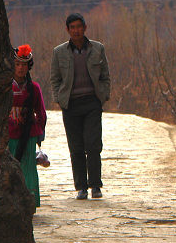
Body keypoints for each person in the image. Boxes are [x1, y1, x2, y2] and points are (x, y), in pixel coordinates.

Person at [50, 12, 111, 200]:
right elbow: (55, 79)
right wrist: (60, 99)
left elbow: (105, 76)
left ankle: (95, 186)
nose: (76, 30)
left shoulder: (97, 49)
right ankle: (81, 187)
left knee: (93, 145)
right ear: (68, 30)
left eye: (79, 26)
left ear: (85, 27)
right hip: (71, 104)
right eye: (72, 27)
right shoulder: (59, 52)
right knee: (76, 147)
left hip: (92, 102)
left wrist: (103, 96)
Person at [8, 44, 47, 209]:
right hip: (8, 135)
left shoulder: (34, 88)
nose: (21, 68)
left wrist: (39, 130)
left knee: (28, 168)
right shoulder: (5, 87)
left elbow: (41, 113)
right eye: (17, 64)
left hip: (28, 134)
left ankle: (30, 202)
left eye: (24, 65)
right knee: (10, 169)